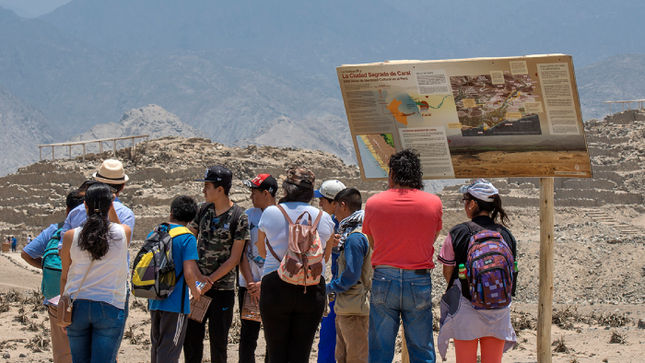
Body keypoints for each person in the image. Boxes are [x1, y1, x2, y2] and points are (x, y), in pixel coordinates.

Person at [363, 149, 443, 363]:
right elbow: (431, 238)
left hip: (383, 278)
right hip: (418, 280)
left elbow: (373, 243)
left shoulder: (373, 203)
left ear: (392, 174)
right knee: (421, 348)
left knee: (380, 350)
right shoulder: (433, 202)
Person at [256, 167, 335, 363]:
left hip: (275, 285)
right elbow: (325, 258)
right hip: (311, 286)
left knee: (276, 352)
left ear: (286, 189)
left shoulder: (271, 212)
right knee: (301, 353)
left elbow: (261, 251)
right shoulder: (324, 218)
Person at [436, 179, 518, 363]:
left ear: (472, 203)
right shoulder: (506, 235)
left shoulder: (458, 232)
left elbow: (447, 272)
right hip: (498, 308)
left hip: (466, 308)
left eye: (465, 200)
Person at [184, 165, 250, 363]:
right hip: (198, 288)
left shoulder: (239, 217)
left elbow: (235, 258)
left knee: (218, 343)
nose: (203, 191)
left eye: (207, 186)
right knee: (192, 340)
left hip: (223, 291)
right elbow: (189, 243)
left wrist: (209, 280)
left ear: (220, 189)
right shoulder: (201, 211)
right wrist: (198, 277)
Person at [60, 183, 132, 363]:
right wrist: (110, 205)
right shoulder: (123, 233)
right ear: (111, 205)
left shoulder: (70, 236)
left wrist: (63, 307)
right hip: (110, 305)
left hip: (77, 305)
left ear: (85, 205)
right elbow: (115, 226)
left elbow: (65, 276)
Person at [21, 190, 84, 363]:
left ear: (66, 209)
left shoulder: (55, 229)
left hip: (57, 299)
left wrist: (47, 266)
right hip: (87, 296)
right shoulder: (94, 230)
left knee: (63, 351)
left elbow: (26, 254)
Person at [148, 196, 206, 363]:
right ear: (191, 218)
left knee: (157, 346)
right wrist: (195, 292)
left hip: (154, 298)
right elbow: (189, 273)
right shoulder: (187, 237)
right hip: (176, 304)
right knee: (170, 349)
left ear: (171, 212)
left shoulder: (156, 231)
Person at [327, 188, 372, 363]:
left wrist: (329, 288)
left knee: (356, 358)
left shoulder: (354, 238)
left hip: (355, 309)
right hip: (350, 307)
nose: (334, 212)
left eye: (336, 207)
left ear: (343, 205)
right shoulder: (355, 234)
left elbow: (351, 275)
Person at [238, 173, 278, 363]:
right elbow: (241, 253)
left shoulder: (282, 216)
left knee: (274, 336)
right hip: (248, 286)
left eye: (254, 193)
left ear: (266, 193)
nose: (251, 197)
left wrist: (265, 283)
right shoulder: (247, 215)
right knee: (248, 336)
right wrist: (251, 283)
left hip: (274, 285)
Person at [315, 179, 346, 363]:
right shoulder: (325, 222)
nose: (319, 203)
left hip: (349, 292)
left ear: (335, 204)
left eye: (323, 200)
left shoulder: (352, 225)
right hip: (333, 290)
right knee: (327, 339)